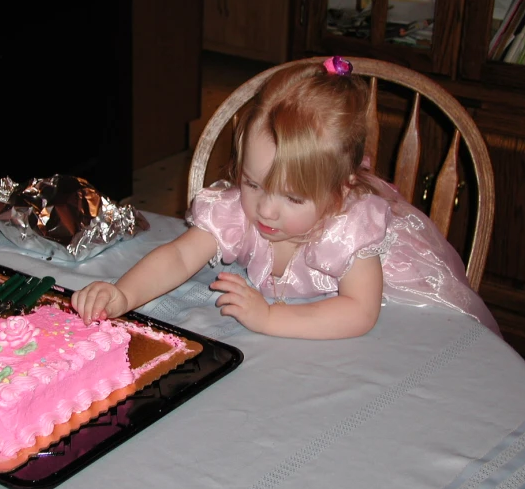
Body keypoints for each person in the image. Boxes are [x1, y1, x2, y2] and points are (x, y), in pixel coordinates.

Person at [72, 56, 500, 339]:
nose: (265, 209)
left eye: (292, 198)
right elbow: (180, 257)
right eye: (253, 183)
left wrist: (270, 317)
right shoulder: (240, 210)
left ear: (340, 193)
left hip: (393, 319)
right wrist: (123, 294)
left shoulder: (350, 227)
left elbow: (359, 312)